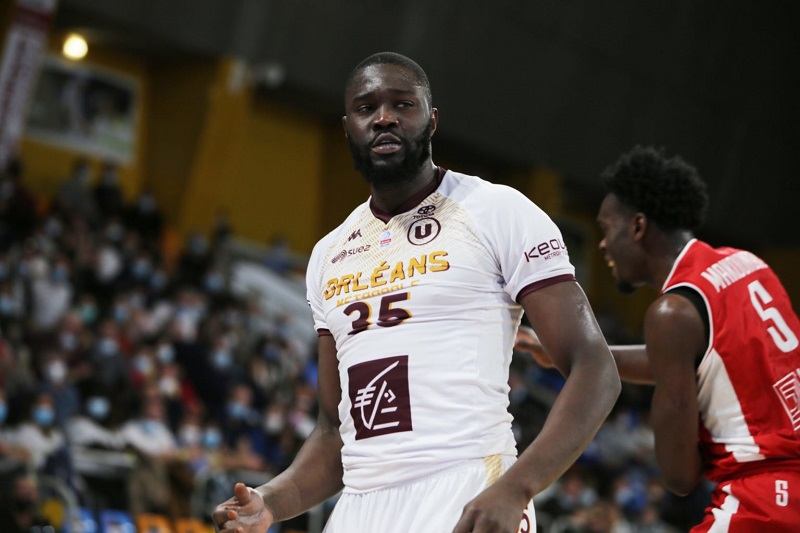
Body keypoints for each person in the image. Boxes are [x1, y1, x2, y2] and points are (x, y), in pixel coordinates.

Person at [212, 51, 620, 533]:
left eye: (402, 104)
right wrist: (270, 502)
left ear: (432, 120)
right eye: (366, 108)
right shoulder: (328, 254)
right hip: (359, 507)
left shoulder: (496, 210)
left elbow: (595, 368)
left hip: (468, 486)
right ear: (348, 128)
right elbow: (334, 432)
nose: (383, 117)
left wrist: (517, 487)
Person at [516, 145, 800, 531]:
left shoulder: (672, 313)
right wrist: (574, 356)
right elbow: (692, 358)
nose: (602, 244)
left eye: (607, 228)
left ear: (637, 226)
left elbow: (680, 476)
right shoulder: (748, 264)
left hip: (764, 495)